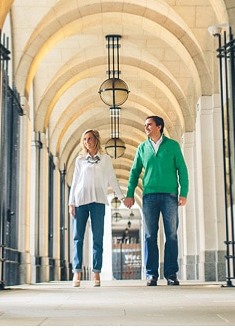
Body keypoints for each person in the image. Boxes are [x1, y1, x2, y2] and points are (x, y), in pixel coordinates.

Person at [123, 115, 189, 286]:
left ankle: (171, 274)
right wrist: (130, 193)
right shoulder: (142, 148)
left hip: (170, 196)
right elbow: (134, 172)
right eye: (145, 125)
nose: (146, 128)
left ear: (159, 127)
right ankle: (151, 274)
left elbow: (182, 170)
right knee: (150, 235)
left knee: (172, 235)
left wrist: (184, 193)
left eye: (149, 125)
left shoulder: (173, 146)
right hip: (149, 196)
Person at [69, 128, 124, 287]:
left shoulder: (105, 159)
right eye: (85, 139)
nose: (87, 142)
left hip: (98, 201)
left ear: (96, 140)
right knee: (78, 237)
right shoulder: (80, 160)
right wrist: (71, 203)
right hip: (80, 201)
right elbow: (75, 181)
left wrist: (121, 197)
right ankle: (77, 272)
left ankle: (96, 273)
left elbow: (112, 178)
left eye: (90, 138)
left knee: (97, 238)